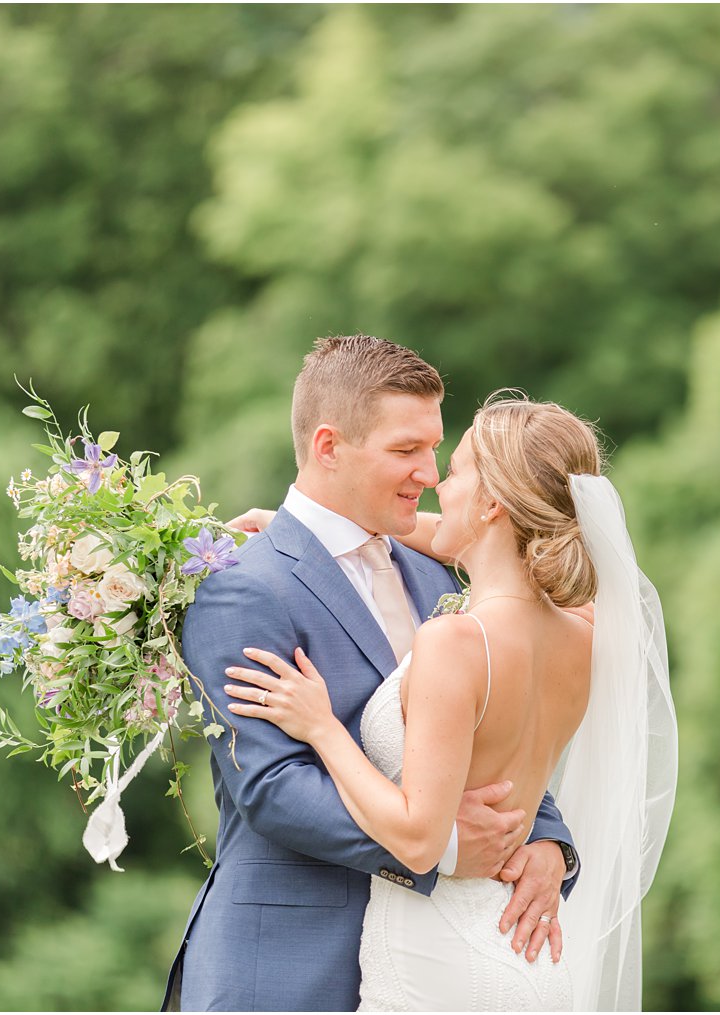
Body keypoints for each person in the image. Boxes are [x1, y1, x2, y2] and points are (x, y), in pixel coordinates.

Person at [222, 393, 677, 1010]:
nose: (438, 479)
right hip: (527, 952)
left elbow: (417, 838)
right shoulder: (586, 630)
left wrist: (323, 728)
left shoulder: (456, 641)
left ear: (492, 503)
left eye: (456, 468)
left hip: (439, 962)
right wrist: (298, 529)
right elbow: (477, 540)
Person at [162, 337, 579, 1011]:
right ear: (329, 446)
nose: (431, 471)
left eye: (436, 447)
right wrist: (438, 847)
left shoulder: (434, 570)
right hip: (289, 965)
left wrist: (545, 839)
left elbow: (481, 727)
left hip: (431, 964)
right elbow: (268, 783)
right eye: (406, 450)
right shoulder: (244, 584)